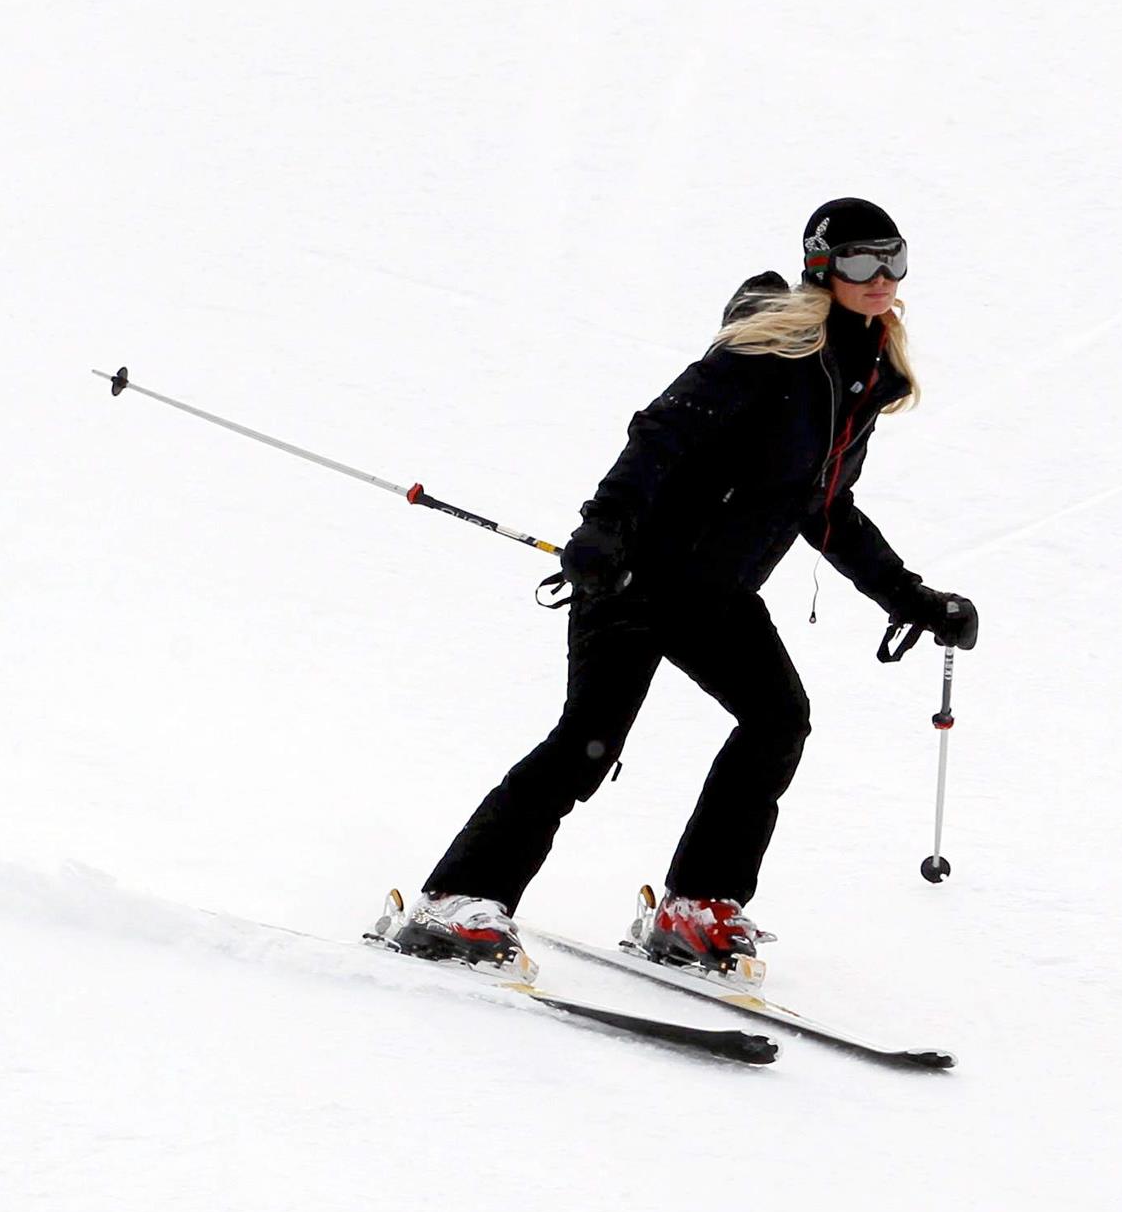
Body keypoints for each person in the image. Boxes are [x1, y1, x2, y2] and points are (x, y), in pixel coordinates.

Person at [392, 198, 977, 975]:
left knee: (778, 720)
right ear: (821, 267)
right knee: (589, 742)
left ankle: (697, 906)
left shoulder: (862, 378)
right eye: (862, 260)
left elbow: (826, 509)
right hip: (637, 576)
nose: (882, 277)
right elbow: (661, 431)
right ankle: (455, 900)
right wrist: (605, 526)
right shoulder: (769, 350)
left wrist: (911, 599)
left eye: (893, 259)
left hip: (714, 596)